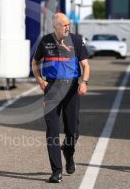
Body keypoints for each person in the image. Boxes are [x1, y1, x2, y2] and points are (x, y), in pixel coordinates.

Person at [32, 12, 90, 183]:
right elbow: (35, 62)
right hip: (52, 88)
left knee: (72, 130)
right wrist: (40, 81)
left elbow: (86, 65)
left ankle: (69, 152)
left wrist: (84, 82)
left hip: (71, 88)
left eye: (68, 25)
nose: (67, 27)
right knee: (52, 130)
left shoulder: (77, 40)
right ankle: (56, 171)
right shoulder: (45, 41)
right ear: (55, 26)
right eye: (64, 25)